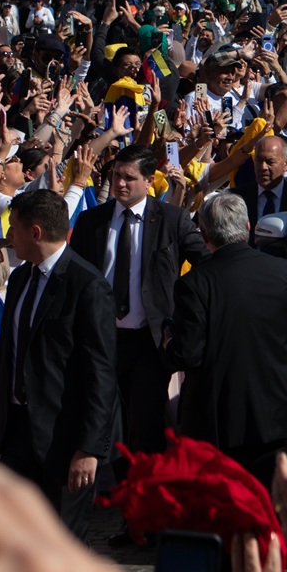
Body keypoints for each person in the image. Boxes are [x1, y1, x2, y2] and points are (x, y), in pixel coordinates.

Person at [0, 189, 116, 539]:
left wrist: (89, 449)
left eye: (13, 229)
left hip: (63, 443)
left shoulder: (87, 286)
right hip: (14, 436)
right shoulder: (21, 279)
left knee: (60, 545)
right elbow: (6, 357)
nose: (8, 237)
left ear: (35, 233)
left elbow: (101, 374)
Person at [70, 145, 206, 453]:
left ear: (148, 181)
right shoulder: (92, 222)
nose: (119, 184)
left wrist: (186, 316)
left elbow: (206, 265)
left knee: (145, 426)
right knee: (102, 423)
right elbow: (74, 276)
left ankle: (143, 492)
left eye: (129, 178)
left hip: (150, 341)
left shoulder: (172, 220)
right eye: (116, 175)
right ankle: (110, 491)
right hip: (102, 339)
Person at [167, 192, 287, 483]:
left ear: (204, 234)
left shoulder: (195, 283)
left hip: (217, 424)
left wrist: (169, 342)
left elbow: (188, 354)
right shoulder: (280, 271)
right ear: (248, 226)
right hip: (275, 414)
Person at [241, 135, 287, 236]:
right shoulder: (237, 199)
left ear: (286, 164)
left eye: (269, 162)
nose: (263, 167)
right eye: (258, 160)